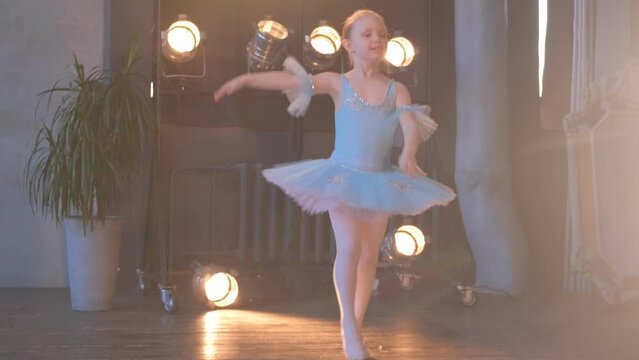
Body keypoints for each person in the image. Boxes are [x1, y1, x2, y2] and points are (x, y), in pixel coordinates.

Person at [214, 9, 456, 360]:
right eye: (368, 34)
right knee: (350, 248)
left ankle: (355, 324)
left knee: (370, 255)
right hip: (341, 177)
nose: (377, 40)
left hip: (379, 181)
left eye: (382, 35)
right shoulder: (337, 83)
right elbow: (290, 82)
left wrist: (409, 154)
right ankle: (349, 328)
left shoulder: (396, 90)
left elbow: (410, 125)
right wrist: (244, 81)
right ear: (348, 44)